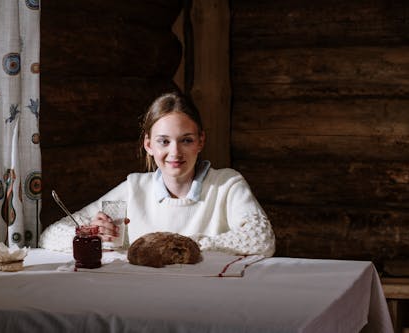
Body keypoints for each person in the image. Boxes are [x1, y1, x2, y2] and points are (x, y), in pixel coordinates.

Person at [40, 91, 276, 256]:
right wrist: (91, 233)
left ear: (200, 141)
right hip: (143, 296)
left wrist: (181, 245)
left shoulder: (226, 184)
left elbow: (262, 240)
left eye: (186, 140)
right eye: (164, 141)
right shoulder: (133, 189)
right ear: (149, 145)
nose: (175, 152)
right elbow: (50, 236)